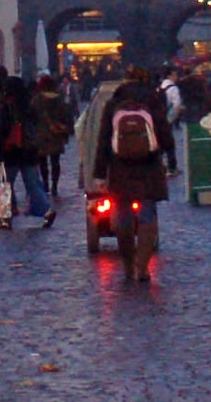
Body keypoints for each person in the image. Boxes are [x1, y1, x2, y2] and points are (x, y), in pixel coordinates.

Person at [92, 66, 177, 282]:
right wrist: (170, 157)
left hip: (120, 169)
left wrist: (100, 174)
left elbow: (103, 141)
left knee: (122, 217)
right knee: (147, 215)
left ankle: (128, 266)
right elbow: (165, 134)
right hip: (149, 167)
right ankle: (143, 267)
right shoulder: (154, 100)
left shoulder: (113, 104)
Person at [0, 76, 54, 229]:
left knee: (4, 185)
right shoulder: (29, 106)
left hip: (10, 152)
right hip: (29, 152)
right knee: (33, 184)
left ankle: (5, 218)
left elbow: (1, 131)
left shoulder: (6, 107)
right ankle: (46, 211)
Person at [31, 73, 75, 197]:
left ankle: (45, 184)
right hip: (56, 134)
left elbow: (33, 116)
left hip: (42, 134)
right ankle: (54, 185)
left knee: (43, 162)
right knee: (55, 161)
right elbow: (66, 115)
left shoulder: (37, 99)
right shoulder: (60, 98)